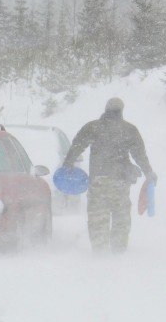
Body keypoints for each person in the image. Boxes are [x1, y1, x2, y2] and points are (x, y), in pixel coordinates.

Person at [62, 97, 157, 253]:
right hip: (120, 182)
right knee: (121, 218)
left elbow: (77, 146)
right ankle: (118, 252)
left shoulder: (93, 127)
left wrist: (67, 164)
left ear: (106, 109)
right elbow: (139, 154)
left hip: (99, 181)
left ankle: (100, 254)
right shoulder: (129, 130)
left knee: (98, 219)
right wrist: (149, 172)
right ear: (121, 111)